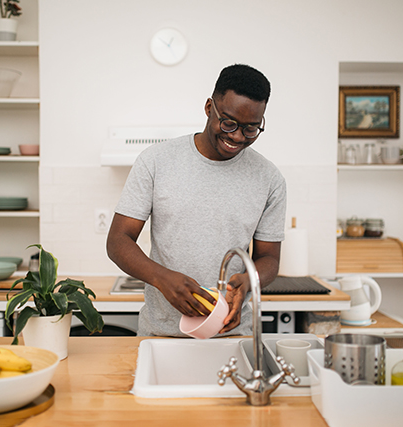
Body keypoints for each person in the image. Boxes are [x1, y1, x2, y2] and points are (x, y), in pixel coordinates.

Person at [106, 64, 287, 337]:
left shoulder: (269, 179)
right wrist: (161, 278)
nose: (237, 137)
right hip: (161, 334)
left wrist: (250, 280)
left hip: (233, 335)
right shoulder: (156, 161)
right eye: (228, 123)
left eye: (251, 129)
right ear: (208, 108)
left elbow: (269, 258)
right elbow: (118, 240)